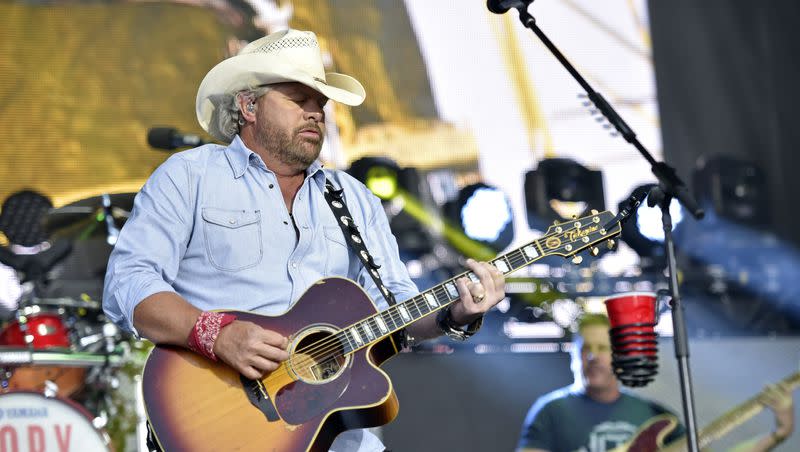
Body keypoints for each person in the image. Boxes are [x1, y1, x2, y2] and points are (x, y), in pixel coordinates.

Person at [102, 28, 505, 452]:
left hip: (339, 437)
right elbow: (128, 283)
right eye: (299, 99)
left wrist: (453, 315)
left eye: (321, 103)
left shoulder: (354, 198)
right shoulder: (189, 176)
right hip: (217, 424)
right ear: (248, 105)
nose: (316, 113)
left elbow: (396, 312)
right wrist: (217, 334)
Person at [517, 314, 795, 452]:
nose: (593, 356)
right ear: (573, 355)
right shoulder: (551, 410)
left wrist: (778, 434)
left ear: (621, 355)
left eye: (603, 348)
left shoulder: (654, 415)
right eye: (585, 348)